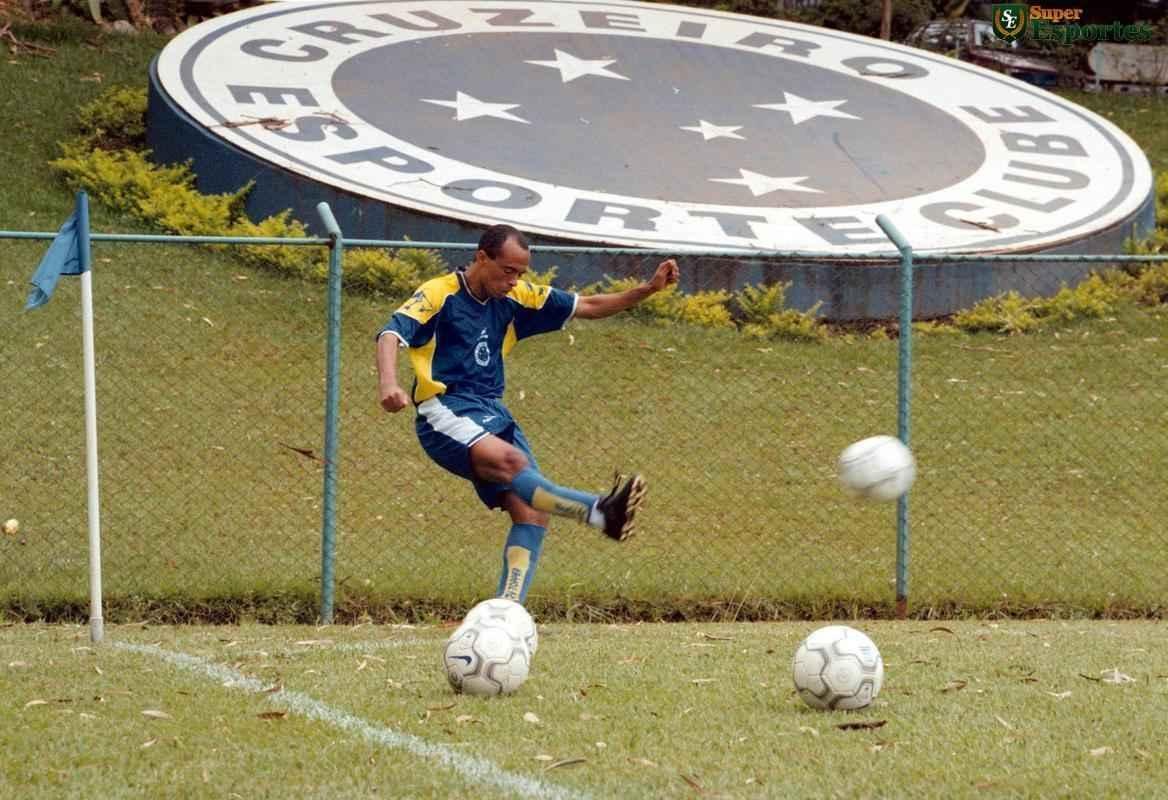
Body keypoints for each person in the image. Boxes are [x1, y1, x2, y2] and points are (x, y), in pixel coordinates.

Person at [377, 224, 679, 604]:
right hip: (446, 410)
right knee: (510, 460)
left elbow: (586, 306)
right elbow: (391, 333)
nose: (515, 280)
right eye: (508, 270)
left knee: (532, 513)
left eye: (521, 273)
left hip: (492, 412)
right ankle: (598, 511)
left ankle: (506, 612)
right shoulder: (440, 293)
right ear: (482, 257)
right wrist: (389, 383)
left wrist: (648, 289)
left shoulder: (518, 297)